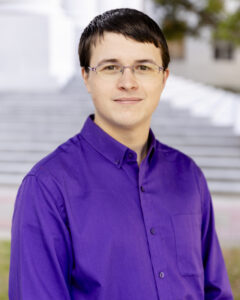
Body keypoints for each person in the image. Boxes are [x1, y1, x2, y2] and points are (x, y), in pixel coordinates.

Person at [9, 7, 233, 300]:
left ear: (164, 78)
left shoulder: (188, 175)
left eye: (143, 67)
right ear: (86, 78)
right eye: (111, 67)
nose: (128, 82)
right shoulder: (47, 187)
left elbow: (215, 292)